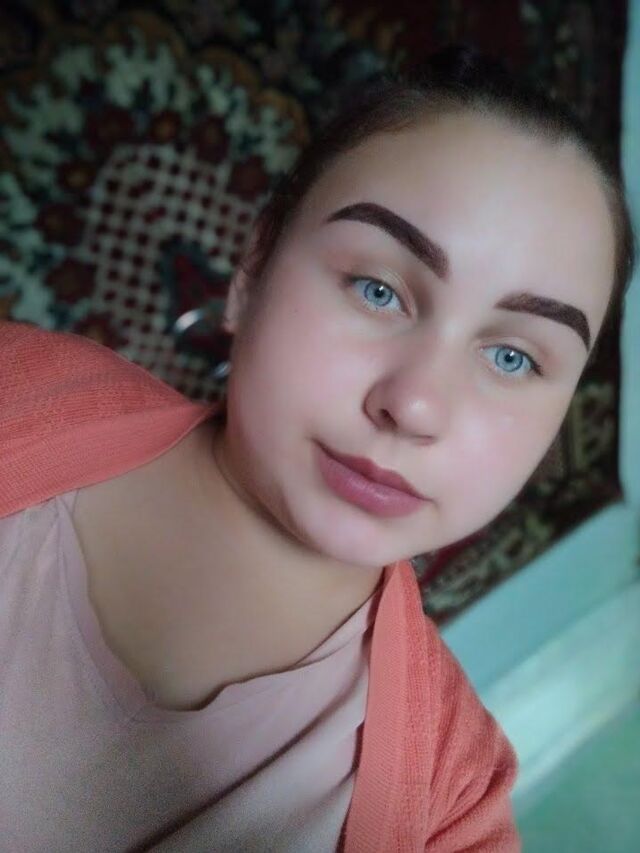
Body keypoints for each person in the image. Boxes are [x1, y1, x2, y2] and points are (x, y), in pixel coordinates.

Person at [0, 44, 634, 852]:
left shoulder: (452, 804)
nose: (413, 404)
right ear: (252, 270)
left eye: (513, 357)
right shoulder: (15, 385)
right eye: (378, 289)